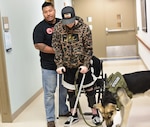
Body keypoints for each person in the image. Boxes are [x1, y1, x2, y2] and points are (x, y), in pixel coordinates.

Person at [52, 6, 101, 126]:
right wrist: (59, 64)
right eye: (66, 22)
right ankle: (73, 115)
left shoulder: (84, 28)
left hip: (83, 66)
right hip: (68, 66)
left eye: (70, 21)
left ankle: (95, 114)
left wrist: (85, 65)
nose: (68, 25)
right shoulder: (58, 28)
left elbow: (89, 49)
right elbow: (57, 48)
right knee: (71, 91)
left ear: (74, 17)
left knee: (89, 90)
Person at [32, 2, 70, 127]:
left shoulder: (63, 23)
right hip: (48, 66)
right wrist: (57, 50)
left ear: (54, 10)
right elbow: (38, 45)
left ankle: (63, 110)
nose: (48, 14)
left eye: (50, 11)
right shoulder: (39, 28)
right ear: (43, 13)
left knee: (64, 89)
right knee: (49, 93)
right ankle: (50, 118)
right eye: (45, 12)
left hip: (64, 64)